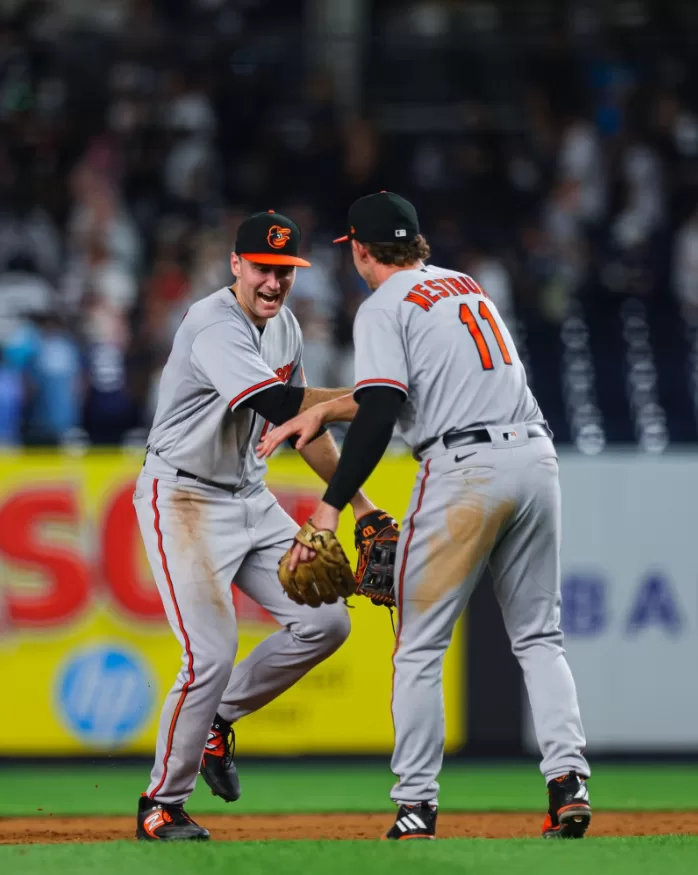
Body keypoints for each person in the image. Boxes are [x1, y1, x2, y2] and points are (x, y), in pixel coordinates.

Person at [257, 192, 592, 841]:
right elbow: (409, 389)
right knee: (539, 637)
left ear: (358, 249)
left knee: (418, 647)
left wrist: (329, 508)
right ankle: (568, 780)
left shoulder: (382, 305)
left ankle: (416, 806)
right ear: (417, 245)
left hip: (465, 472)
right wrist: (326, 409)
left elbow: (386, 409)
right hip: (534, 457)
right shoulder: (463, 285)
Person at [133, 210, 378, 841]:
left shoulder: (286, 326)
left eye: (286, 271)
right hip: (182, 498)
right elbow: (274, 404)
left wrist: (361, 505)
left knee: (326, 622)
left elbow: (300, 430)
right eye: (264, 269)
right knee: (209, 653)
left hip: (247, 494)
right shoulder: (213, 324)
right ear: (237, 265)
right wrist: (370, 398)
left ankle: (215, 723)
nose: (274, 283)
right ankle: (161, 804)